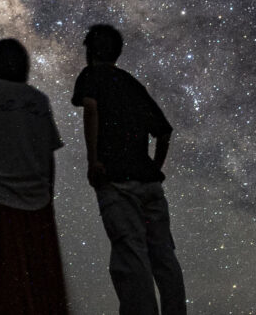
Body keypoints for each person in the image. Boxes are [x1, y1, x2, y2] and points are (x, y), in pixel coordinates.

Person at [71, 24, 186, 315]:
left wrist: (93, 160)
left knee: (131, 257)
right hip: (149, 184)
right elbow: (163, 133)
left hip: (116, 182)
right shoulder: (133, 84)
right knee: (164, 258)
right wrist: (153, 169)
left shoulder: (91, 76)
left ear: (90, 51)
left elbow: (91, 108)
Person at [0, 38, 68, 315]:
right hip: (37, 202)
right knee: (40, 286)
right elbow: (49, 155)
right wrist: (49, 195)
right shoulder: (38, 99)